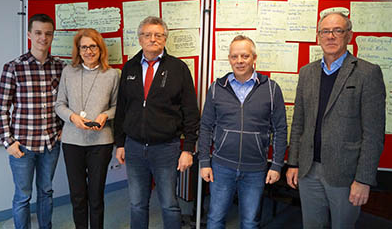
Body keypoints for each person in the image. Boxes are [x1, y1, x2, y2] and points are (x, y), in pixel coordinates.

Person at [286, 12, 386, 229]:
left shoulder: (368, 74)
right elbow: (299, 124)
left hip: (346, 174)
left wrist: (363, 180)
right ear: (318, 36)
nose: (330, 36)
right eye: (325, 31)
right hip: (308, 170)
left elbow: (374, 134)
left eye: (337, 30)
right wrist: (293, 163)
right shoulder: (307, 73)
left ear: (348, 35)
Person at [114, 16, 200, 229]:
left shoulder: (179, 68)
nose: (152, 39)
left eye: (158, 35)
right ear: (140, 38)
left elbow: (190, 111)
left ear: (164, 39)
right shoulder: (130, 68)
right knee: (136, 204)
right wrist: (120, 143)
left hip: (166, 148)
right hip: (134, 147)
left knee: (169, 204)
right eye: (147, 35)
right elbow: (122, 109)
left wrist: (188, 148)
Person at [199, 35, 287, 229]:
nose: (239, 61)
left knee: (250, 222)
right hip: (221, 167)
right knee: (215, 219)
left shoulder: (271, 89)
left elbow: (280, 129)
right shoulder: (216, 88)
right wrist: (204, 162)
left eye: (245, 56)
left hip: (255, 169)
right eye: (235, 56)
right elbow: (205, 126)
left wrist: (277, 165)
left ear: (254, 58)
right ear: (229, 59)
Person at [0, 14, 65, 229]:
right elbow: (1, 109)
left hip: (51, 144)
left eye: (47, 33)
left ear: (52, 36)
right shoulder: (14, 67)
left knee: (46, 192)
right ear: (29, 35)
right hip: (22, 147)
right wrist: (9, 141)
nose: (43, 38)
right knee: (23, 196)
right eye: (38, 33)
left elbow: (67, 102)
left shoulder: (61, 67)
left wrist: (62, 129)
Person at [55, 28, 119, 229]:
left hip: (101, 142)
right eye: (84, 47)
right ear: (78, 50)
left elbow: (118, 106)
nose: (88, 51)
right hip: (72, 141)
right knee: (77, 195)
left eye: (93, 46)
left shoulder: (112, 74)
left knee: (96, 195)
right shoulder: (68, 72)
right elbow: (59, 104)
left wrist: (105, 116)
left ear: (100, 49)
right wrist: (73, 117)